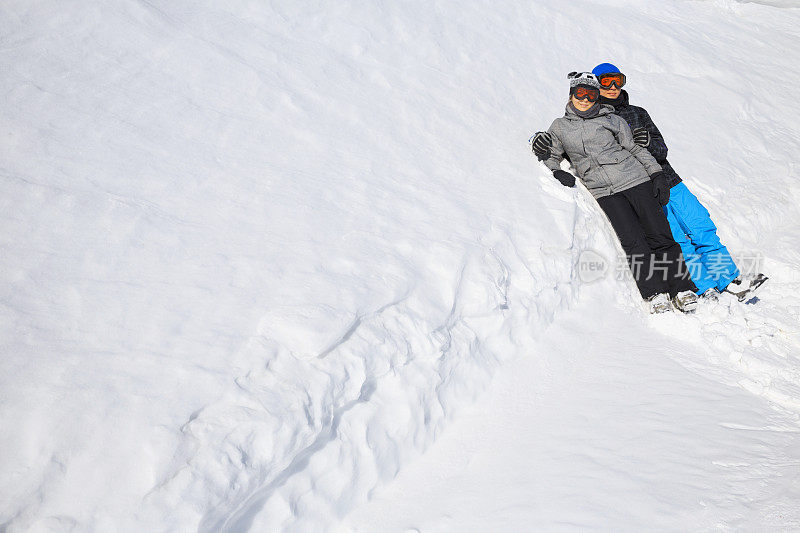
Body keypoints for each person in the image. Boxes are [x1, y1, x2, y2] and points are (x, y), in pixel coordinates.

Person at [535, 64, 767, 302]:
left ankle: (729, 279)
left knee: (701, 226)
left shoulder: (637, 113)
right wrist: (540, 142)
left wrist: (649, 146)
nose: (613, 87)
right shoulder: (584, 120)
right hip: (638, 184)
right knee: (674, 237)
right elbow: (575, 150)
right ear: (595, 86)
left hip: (667, 178)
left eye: (618, 80)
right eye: (606, 82)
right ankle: (702, 285)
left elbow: (661, 148)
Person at [533, 72, 698, 314]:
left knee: (659, 234)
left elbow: (634, 148)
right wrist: (555, 170)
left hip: (636, 179)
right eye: (580, 93)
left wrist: (656, 174)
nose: (585, 99)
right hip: (603, 191)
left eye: (590, 94)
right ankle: (655, 293)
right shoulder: (559, 127)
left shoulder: (612, 119)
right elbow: (551, 153)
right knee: (633, 241)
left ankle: (681, 288)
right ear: (571, 95)